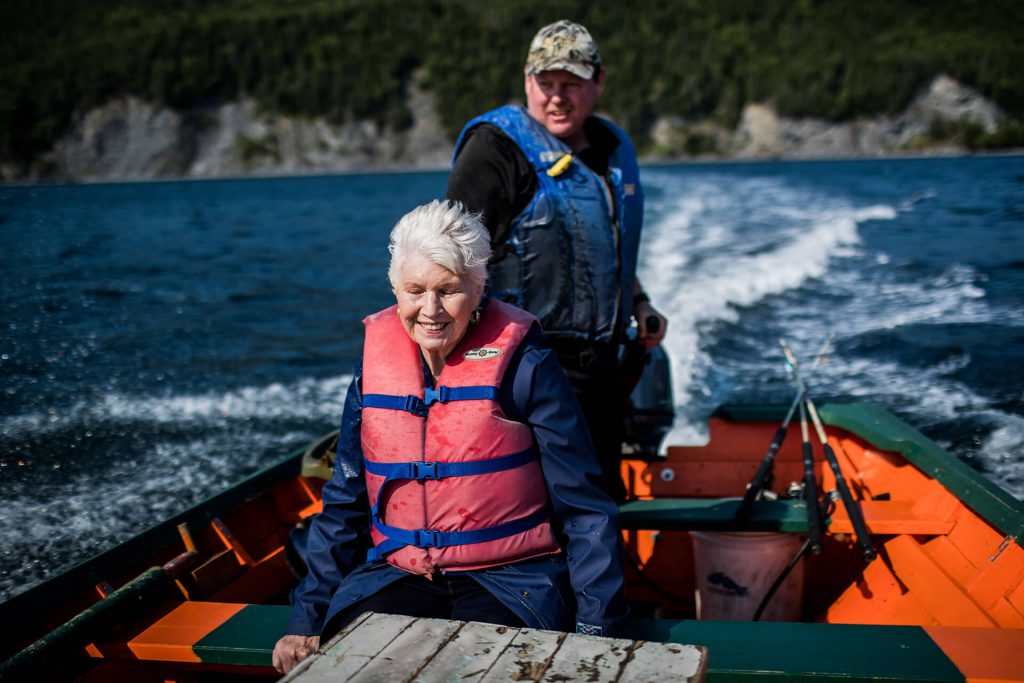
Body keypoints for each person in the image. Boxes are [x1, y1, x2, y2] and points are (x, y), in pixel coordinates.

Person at [272, 200, 627, 674]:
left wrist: (597, 631)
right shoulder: (373, 371)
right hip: (396, 576)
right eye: (415, 290)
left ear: (478, 289)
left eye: (448, 290)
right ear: (395, 289)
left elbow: (585, 508)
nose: (430, 310)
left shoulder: (527, 365)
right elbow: (344, 502)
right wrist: (307, 615)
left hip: (512, 583)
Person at [446, 20, 668, 502]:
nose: (557, 98)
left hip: (602, 376)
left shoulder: (609, 151)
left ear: (599, 82)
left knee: (599, 508)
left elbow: (597, 247)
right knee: (548, 513)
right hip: (525, 373)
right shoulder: (495, 150)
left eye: (571, 84)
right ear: (528, 82)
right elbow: (450, 262)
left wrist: (639, 300)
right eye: (546, 84)